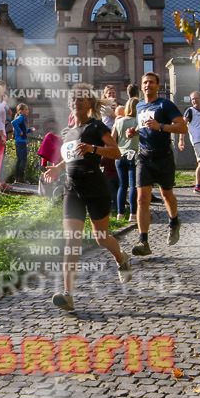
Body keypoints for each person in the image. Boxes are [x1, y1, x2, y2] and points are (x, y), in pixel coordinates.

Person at [44, 83, 132, 311]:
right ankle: (68, 294)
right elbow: (72, 156)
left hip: (95, 187)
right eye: (73, 99)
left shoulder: (97, 126)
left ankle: (121, 258)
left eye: (80, 99)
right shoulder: (67, 131)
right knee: (72, 242)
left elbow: (116, 152)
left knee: (102, 238)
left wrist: (94, 148)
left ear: (90, 103)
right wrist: (57, 168)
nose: (75, 102)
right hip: (72, 189)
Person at [133, 72, 188, 256]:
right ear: (141, 87)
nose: (147, 85)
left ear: (158, 86)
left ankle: (174, 221)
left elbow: (183, 127)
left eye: (151, 82)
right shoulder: (139, 105)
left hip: (163, 156)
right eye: (145, 83)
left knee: (166, 194)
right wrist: (133, 132)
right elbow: (143, 126)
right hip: (144, 156)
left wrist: (161, 127)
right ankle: (143, 241)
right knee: (141, 199)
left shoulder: (165, 104)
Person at [178, 92, 200, 194]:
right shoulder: (190, 111)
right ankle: (197, 185)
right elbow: (183, 125)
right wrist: (181, 139)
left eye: (196, 98)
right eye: (192, 99)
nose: (194, 101)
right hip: (198, 140)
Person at [112, 102, 138, 219]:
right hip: (134, 154)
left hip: (120, 155)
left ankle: (120, 214)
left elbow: (112, 140)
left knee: (122, 186)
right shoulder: (138, 121)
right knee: (133, 185)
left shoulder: (118, 122)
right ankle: (133, 214)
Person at [11, 103, 33, 183]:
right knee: (23, 159)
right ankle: (20, 178)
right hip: (20, 142)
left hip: (21, 141)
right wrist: (19, 131)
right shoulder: (20, 117)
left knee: (20, 160)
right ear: (21, 111)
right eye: (26, 109)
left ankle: (18, 178)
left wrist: (29, 130)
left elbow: (23, 131)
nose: (28, 111)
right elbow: (13, 123)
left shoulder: (22, 118)